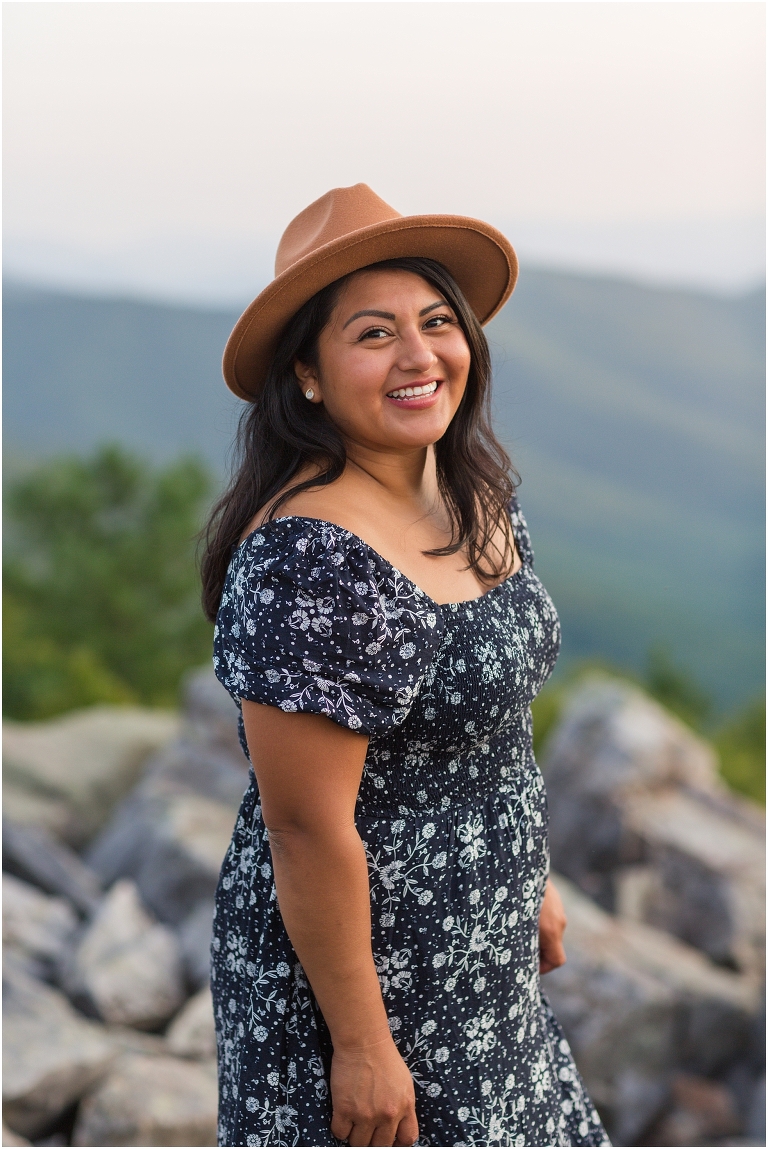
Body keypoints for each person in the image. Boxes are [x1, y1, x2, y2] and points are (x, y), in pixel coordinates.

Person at [201, 183, 610, 1148]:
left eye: (436, 322)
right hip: (369, 983)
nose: (419, 355)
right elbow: (304, 826)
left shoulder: (473, 494)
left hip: (484, 958)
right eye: (374, 334)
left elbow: (493, 726)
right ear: (307, 373)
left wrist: (529, 872)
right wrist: (361, 1044)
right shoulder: (312, 557)